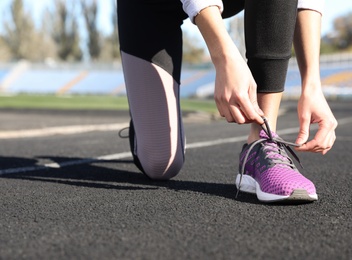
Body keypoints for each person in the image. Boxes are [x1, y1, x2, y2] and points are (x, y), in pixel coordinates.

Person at [117, 0, 337, 203]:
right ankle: (142, 123)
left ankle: (262, 141)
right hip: (152, 6)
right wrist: (224, 57)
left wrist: (312, 85)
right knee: (160, 164)